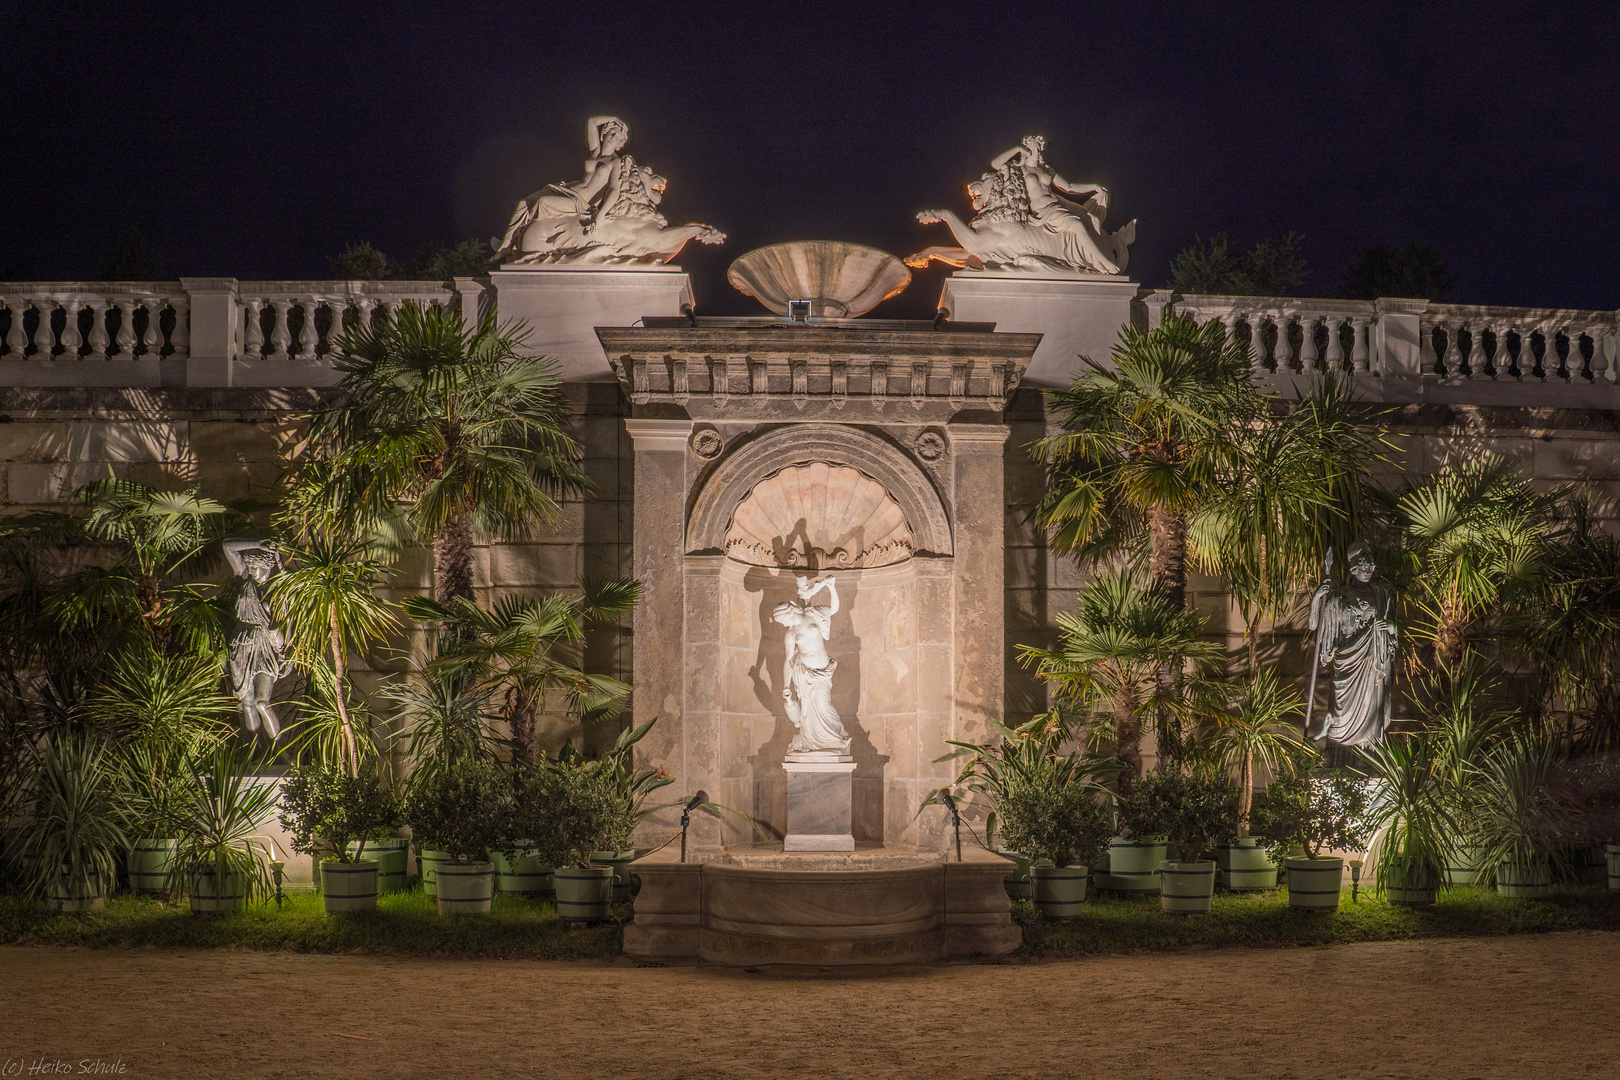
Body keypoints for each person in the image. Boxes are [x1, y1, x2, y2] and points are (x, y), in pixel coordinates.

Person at [493, 115, 632, 260]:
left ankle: (518, 242)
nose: (612, 136)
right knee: (524, 203)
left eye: (617, 136)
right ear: (604, 134)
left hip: (580, 203)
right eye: (611, 132)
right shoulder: (596, 153)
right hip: (567, 191)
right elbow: (592, 121)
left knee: (542, 202)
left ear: (619, 144)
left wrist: (601, 215)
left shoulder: (615, 162)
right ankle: (506, 245)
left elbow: (614, 189)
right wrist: (615, 118)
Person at [1307, 542, 1399, 748]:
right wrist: (1316, 599)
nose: (1367, 571)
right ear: (1354, 569)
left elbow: (1394, 632)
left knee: (1372, 707)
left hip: (1374, 663)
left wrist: (1393, 628)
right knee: (1342, 713)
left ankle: (1370, 750)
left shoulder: (1382, 595)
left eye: (1370, 568)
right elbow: (1315, 626)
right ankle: (1337, 745)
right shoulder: (1337, 597)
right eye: (1363, 567)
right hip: (1348, 661)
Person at [773, 575, 852, 757]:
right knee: (809, 709)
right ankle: (813, 742)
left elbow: (833, 608)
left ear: (789, 613)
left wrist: (831, 587)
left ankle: (835, 739)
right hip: (804, 674)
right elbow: (788, 660)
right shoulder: (790, 634)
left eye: (782, 620)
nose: (783, 624)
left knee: (823, 704)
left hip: (822, 672)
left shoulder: (813, 613)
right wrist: (786, 685)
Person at [223, 538, 291, 740]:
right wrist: (257, 544)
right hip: (243, 645)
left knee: (262, 703)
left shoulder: (277, 591)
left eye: (257, 566)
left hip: (266, 646)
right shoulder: (244, 582)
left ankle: (279, 752)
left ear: (268, 568)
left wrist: (285, 650)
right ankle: (254, 755)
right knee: (247, 704)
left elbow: (286, 628)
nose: (252, 570)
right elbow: (227, 547)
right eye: (250, 565)